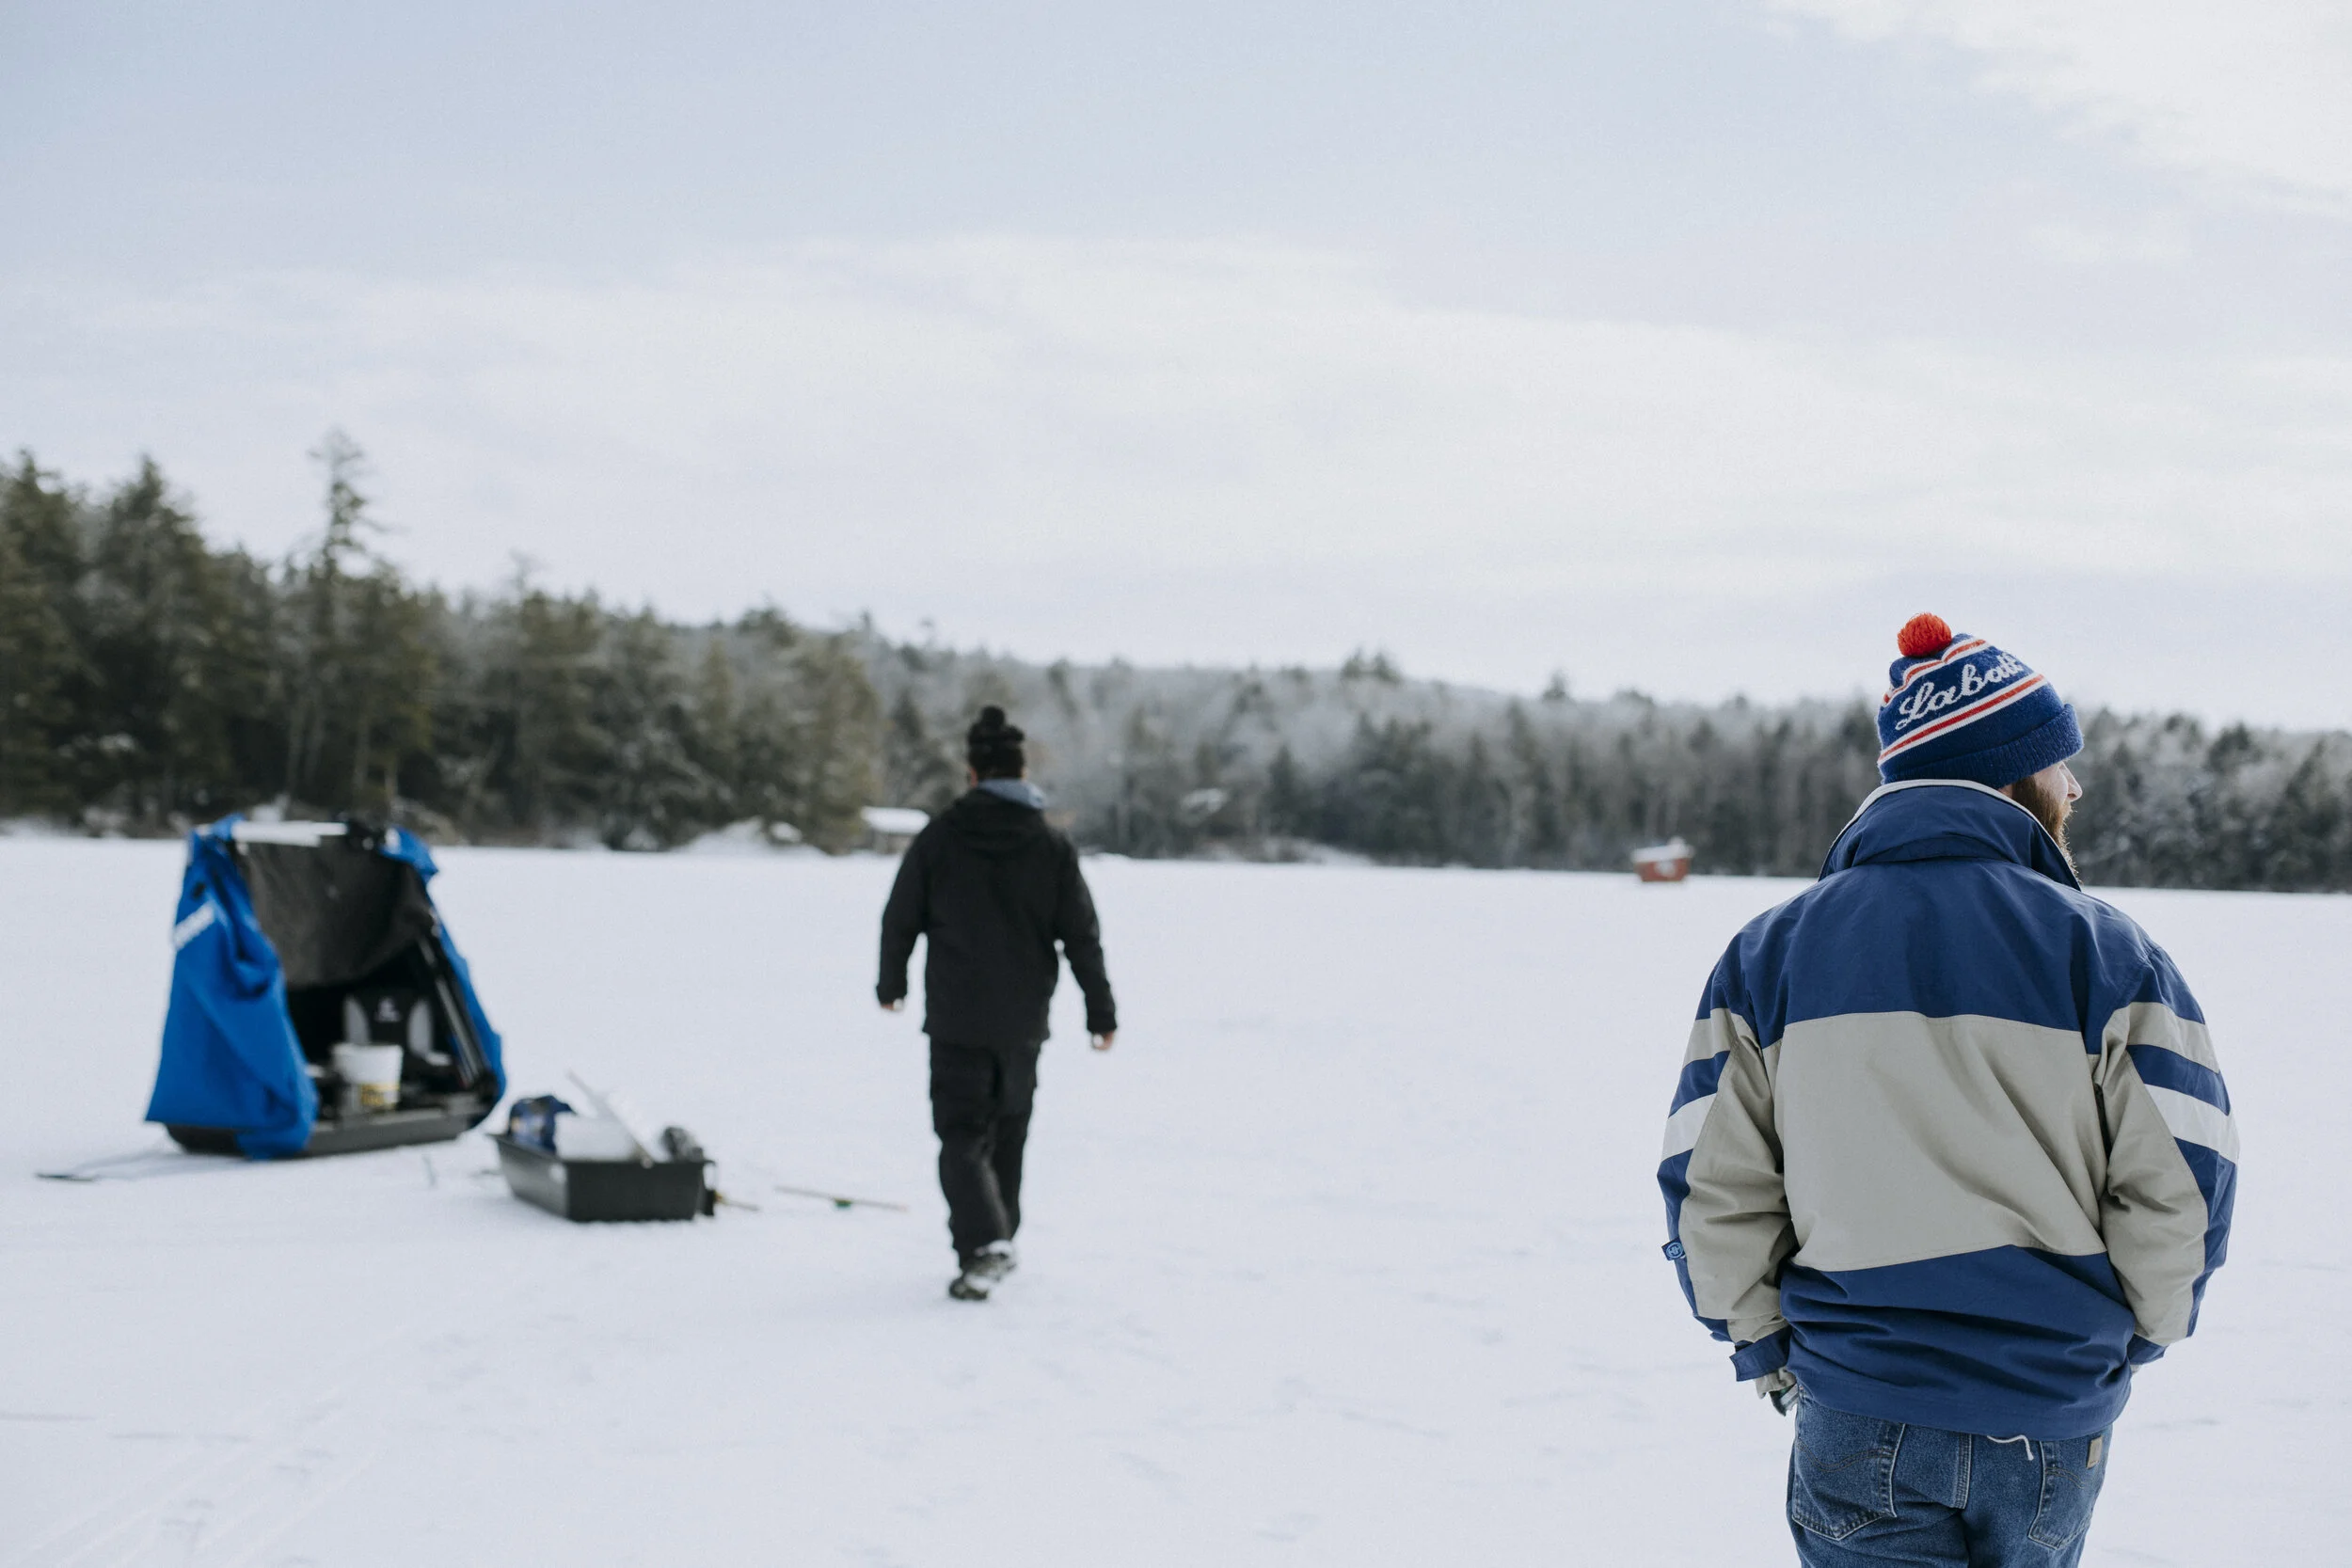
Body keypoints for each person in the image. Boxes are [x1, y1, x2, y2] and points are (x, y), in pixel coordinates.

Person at [1658, 615, 2236, 1567]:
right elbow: (2184, 1174)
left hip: (1858, 1396)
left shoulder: (1770, 953)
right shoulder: (2109, 952)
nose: (2074, 787)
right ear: (2009, 775)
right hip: (2048, 1408)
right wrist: (2129, 1337)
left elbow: (1711, 1180)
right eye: (2058, 763)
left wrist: (1762, 1342)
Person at [878, 705, 1118, 1301]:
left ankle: (987, 1244)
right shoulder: (1049, 845)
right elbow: (1081, 934)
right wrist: (1100, 1010)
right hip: (1022, 1020)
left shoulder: (941, 837)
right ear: (1021, 773)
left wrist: (892, 983)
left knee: (961, 1135)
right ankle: (996, 1239)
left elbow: (900, 916)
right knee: (1008, 1135)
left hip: (957, 1018)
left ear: (972, 774)